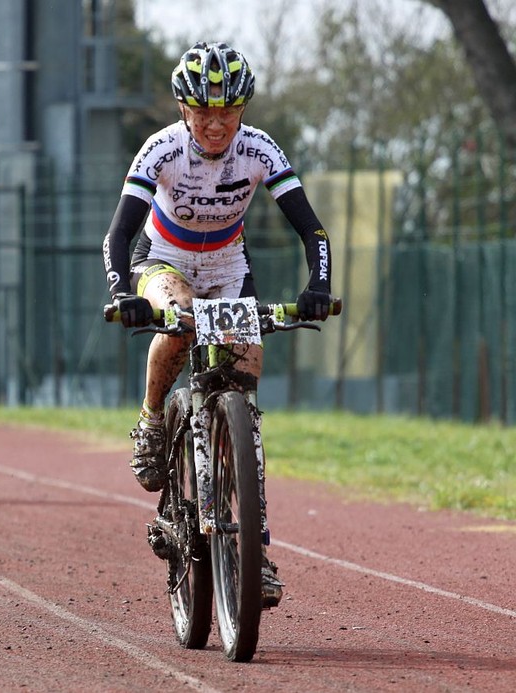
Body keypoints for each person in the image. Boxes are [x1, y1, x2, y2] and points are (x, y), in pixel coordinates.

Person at [101, 42, 333, 608]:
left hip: (229, 265)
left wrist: (318, 287)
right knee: (178, 323)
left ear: (242, 111)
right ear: (184, 110)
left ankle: (253, 540)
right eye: (202, 113)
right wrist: (122, 293)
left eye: (226, 113)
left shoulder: (258, 150)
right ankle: (153, 421)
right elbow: (117, 237)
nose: (214, 125)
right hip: (164, 260)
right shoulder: (160, 150)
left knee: (244, 384)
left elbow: (313, 231)